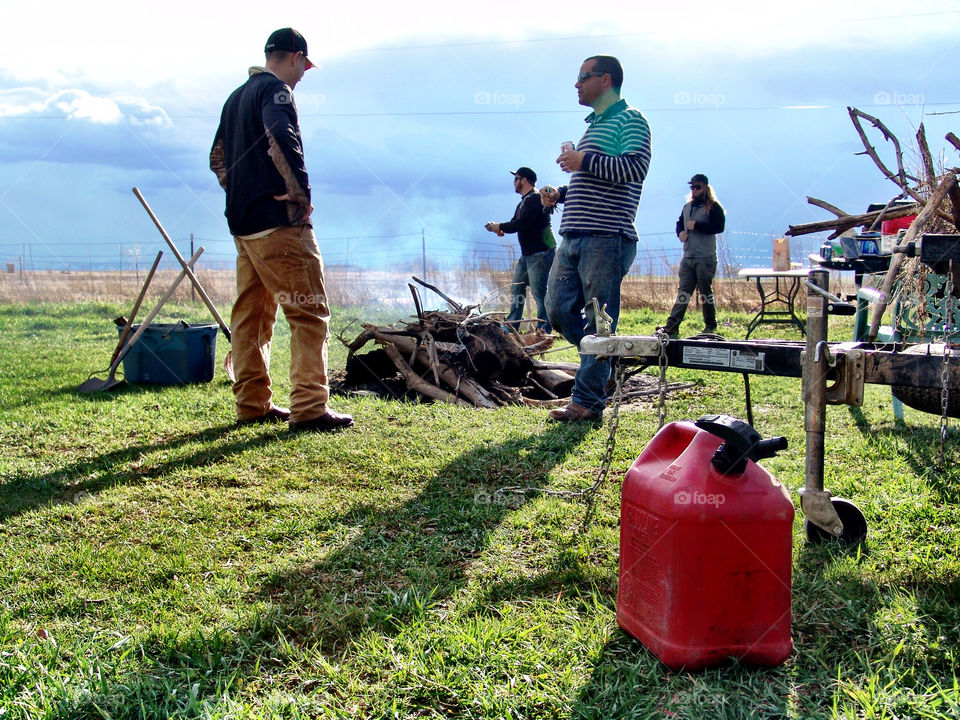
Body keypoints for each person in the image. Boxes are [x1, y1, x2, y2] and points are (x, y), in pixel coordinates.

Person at [210, 28, 353, 432]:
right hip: (279, 227)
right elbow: (281, 134)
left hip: (243, 227)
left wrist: (241, 192)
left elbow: (216, 157)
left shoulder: (235, 97)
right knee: (309, 312)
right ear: (293, 57)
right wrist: (298, 194)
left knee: (252, 316)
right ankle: (309, 407)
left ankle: (252, 403)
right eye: (304, 65)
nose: (304, 74)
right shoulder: (277, 93)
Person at [541, 55, 652, 422]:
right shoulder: (594, 125)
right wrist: (561, 192)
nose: (576, 84)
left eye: (582, 77)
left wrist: (583, 160)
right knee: (556, 309)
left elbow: (634, 168)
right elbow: (592, 184)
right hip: (573, 234)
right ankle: (607, 358)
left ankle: (587, 401)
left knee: (598, 322)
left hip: (607, 236)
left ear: (605, 80)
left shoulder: (631, 119)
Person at [485, 167, 556, 333]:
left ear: (524, 180)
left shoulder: (535, 198)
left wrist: (500, 226)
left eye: (516, 178)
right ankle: (510, 328)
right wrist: (499, 228)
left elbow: (523, 223)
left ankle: (543, 329)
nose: (513, 182)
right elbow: (514, 222)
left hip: (541, 253)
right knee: (517, 289)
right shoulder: (524, 201)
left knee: (540, 294)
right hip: (528, 255)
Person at [658, 174, 726, 337]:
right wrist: (680, 232)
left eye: (698, 187)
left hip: (705, 257)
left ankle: (710, 324)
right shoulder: (687, 207)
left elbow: (719, 226)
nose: (694, 190)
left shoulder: (713, 206)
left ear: (705, 188)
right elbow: (679, 223)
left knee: (705, 293)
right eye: (692, 187)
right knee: (683, 292)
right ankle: (672, 325)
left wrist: (698, 225)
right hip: (688, 256)